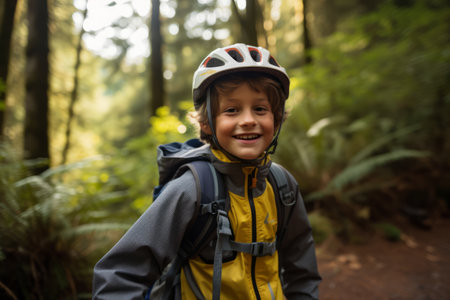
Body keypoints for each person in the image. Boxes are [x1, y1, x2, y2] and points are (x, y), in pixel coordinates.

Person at [92, 43, 321, 300]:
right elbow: (121, 273)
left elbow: (302, 270)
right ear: (206, 124)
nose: (248, 120)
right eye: (231, 110)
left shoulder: (282, 186)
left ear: (275, 119)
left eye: (260, 109)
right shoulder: (192, 189)